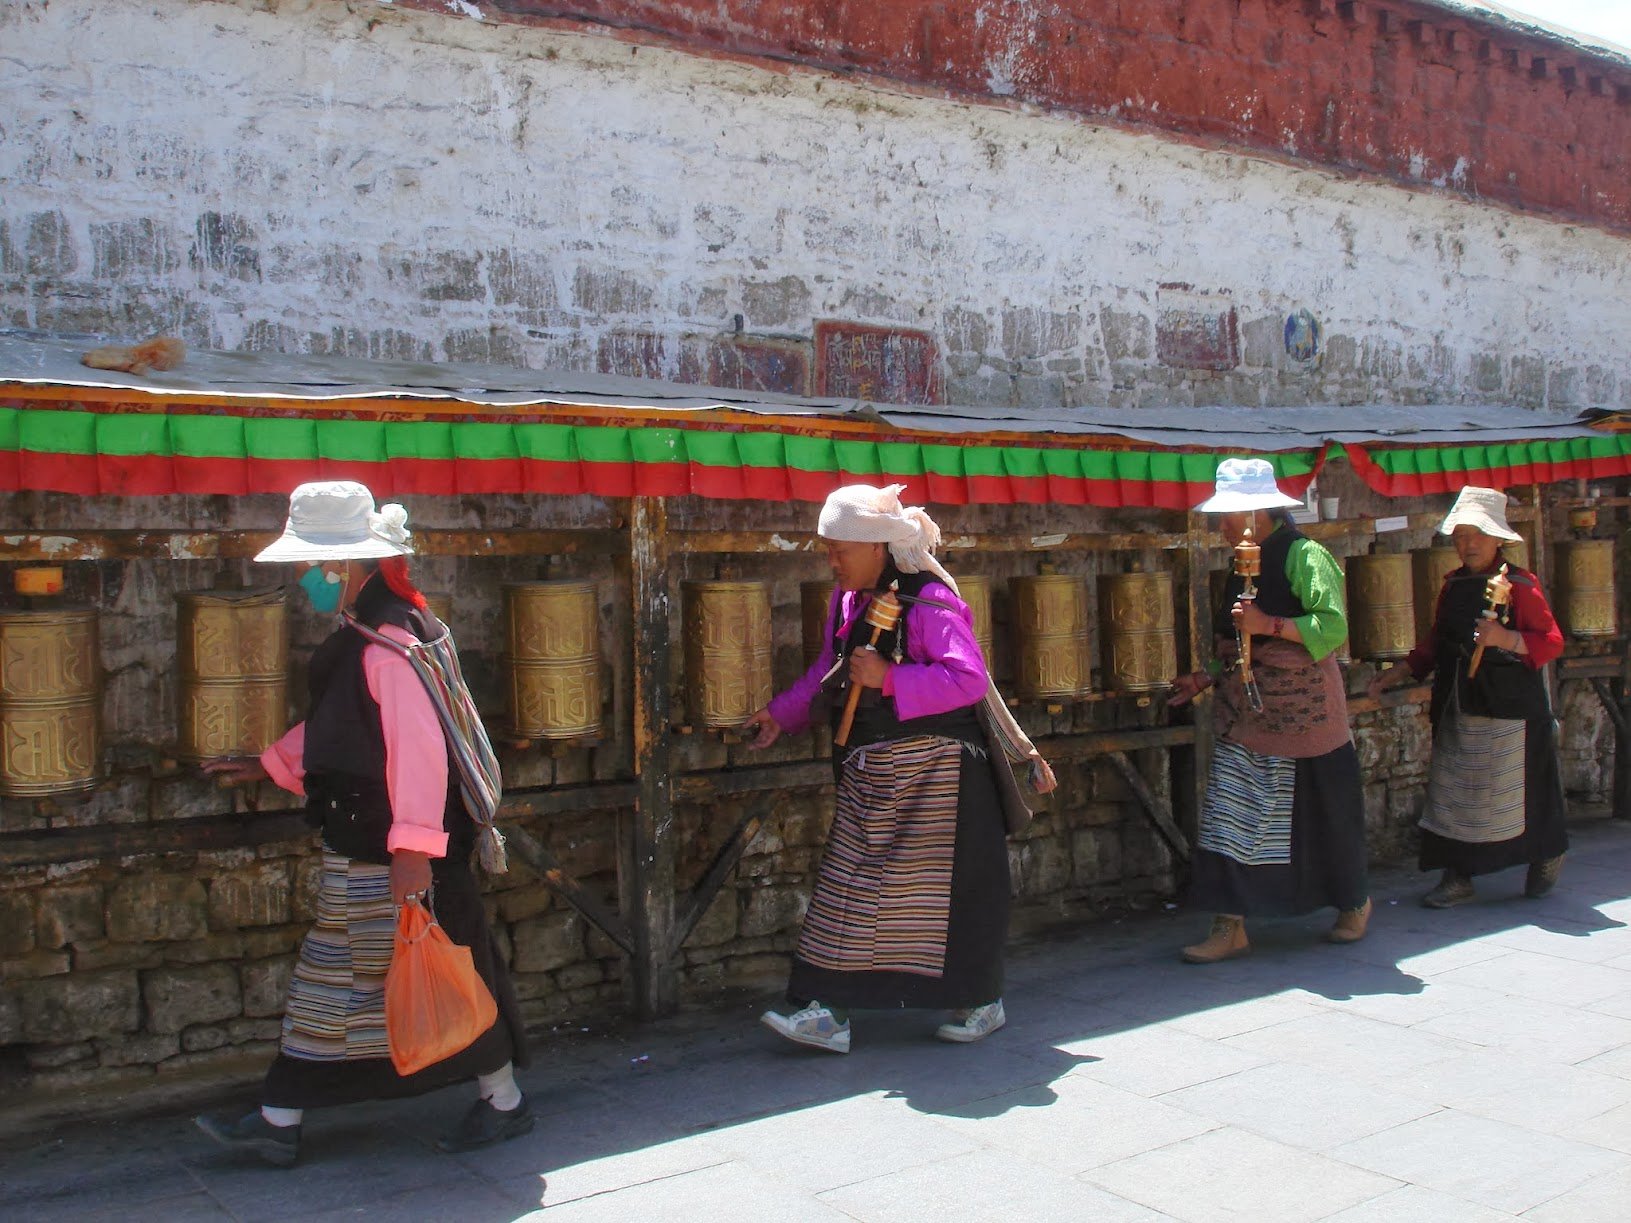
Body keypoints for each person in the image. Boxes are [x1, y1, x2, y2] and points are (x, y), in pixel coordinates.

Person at [194, 481, 531, 1166]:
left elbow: (418, 750)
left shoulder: (385, 645)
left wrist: (413, 851)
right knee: (349, 981)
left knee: (439, 975)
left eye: (307, 568)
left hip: (394, 852)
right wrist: (269, 762)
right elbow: (342, 730)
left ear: (339, 566)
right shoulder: (369, 632)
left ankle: (500, 1098)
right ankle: (280, 1115)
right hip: (367, 843)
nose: (302, 581)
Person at [744, 483, 1055, 1053]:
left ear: (878, 546)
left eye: (840, 549)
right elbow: (830, 669)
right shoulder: (848, 600)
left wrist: (889, 678)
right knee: (850, 888)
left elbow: (967, 679)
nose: (832, 560)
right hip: (876, 775)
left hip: (941, 779)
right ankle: (827, 1012)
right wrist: (782, 714)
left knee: (952, 895)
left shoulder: (927, 602)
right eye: (828, 548)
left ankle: (981, 1001)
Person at [1168, 459, 1371, 962]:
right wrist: (1206, 675)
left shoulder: (1305, 556)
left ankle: (1354, 902)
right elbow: (1238, 641)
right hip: (1247, 711)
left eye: (1228, 515)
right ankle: (1230, 924)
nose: (1221, 525)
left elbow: (1333, 627)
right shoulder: (1239, 565)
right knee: (1228, 813)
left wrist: (1271, 626)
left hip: (1306, 713)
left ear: (1257, 513)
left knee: (1324, 813)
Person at [1368, 485, 1567, 907]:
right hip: (1459, 698)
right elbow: (1438, 639)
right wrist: (1400, 672)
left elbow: (1550, 642)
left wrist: (1505, 637)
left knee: (1522, 790)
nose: (1467, 543)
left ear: (1497, 538)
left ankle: (1545, 854)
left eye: (1476, 534)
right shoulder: (1454, 585)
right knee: (1454, 790)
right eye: (1459, 535)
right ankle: (1457, 876)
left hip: (1509, 704)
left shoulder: (1519, 584)